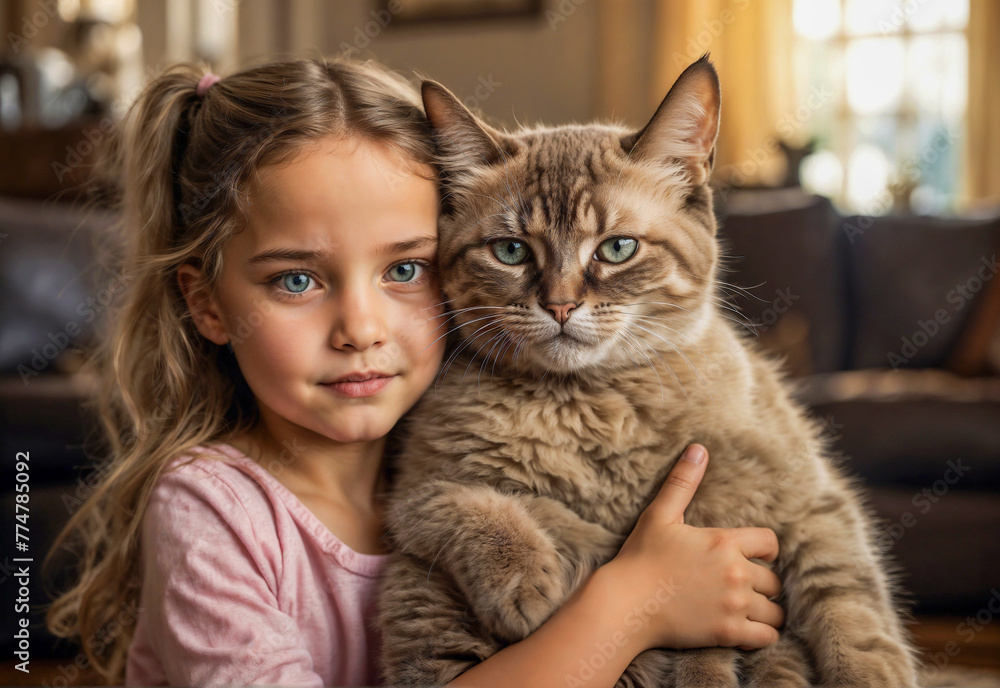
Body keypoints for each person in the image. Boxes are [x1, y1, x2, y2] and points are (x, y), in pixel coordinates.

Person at [43, 55, 784, 687]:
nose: (362, 330)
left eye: (404, 267)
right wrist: (629, 609)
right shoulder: (211, 513)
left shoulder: (472, 446)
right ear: (207, 305)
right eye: (296, 280)